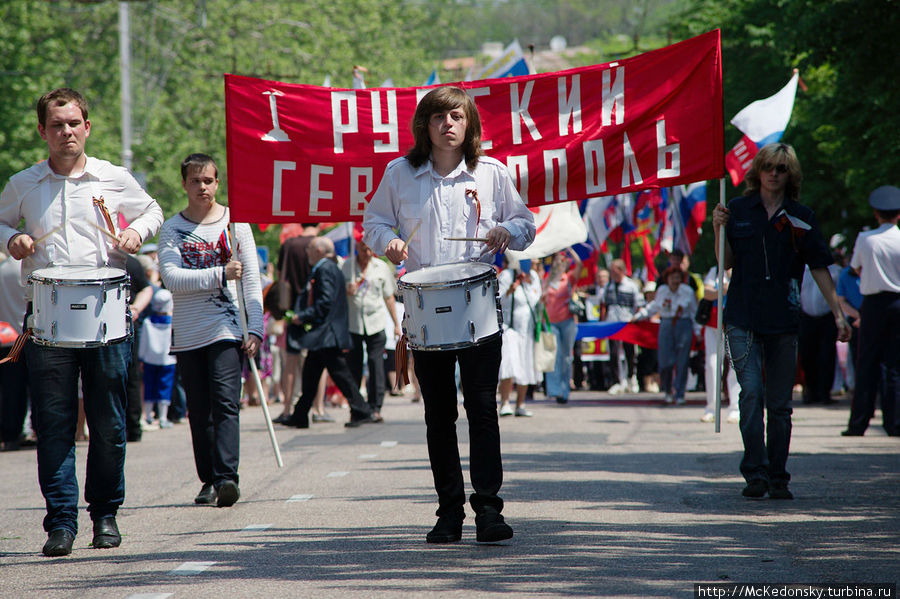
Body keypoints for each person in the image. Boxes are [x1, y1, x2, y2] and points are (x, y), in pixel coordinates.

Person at [363, 86, 535, 544]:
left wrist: (506, 230)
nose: (448, 124)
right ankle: (448, 512)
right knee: (439, 415)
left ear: (469, 123)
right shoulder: (400, 173)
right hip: (425, 310)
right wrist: (389, 243)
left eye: (456, 116)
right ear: (426, 125)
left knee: (482, 410)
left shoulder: (491, 173)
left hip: (479, 308)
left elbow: (526, 225)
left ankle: (488, 510)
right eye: (439, 116)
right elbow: (373, 223)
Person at [0, 88, 163, 556]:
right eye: (57, 125)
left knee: (109, 423)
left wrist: (134, 231)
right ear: (42, 131)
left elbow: (152, 210)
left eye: (74, 123)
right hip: (47, 315)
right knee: (54, 422)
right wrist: (13, 238)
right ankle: (61, 523)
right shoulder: (23, 183)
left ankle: (106, 515)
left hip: (106, 313)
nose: (66, 132)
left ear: (87, 127)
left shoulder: (112, 177)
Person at [712, 143, 851, 500]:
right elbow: (725, 262)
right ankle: (754, 472)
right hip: (742, 316)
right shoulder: (738, 209)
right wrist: (718, 229)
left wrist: (838, 313)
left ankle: (778, 475)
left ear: (791, 175)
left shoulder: (802, 215)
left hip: (784, 318)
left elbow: (819, 267)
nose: (774, 173)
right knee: (751, 394)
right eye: (769, 166)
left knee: (780, 405)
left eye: (782, 168)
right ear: (757, 170)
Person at [158, 153, 263, 508]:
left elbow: (252, 280)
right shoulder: (173, 228)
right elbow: (172, 278)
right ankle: (208, 478)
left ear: (217, 183)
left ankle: (227, 477)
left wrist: (257, 329)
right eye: (195, 181)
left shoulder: (237, 223)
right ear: (184, 184)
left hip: (228, 328)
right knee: (199, 411)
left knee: (225, 403)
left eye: (208, 180)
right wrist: (219, 274)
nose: (202, 187)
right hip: (188, 332)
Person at [283, 236, 378, 429]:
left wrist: (302, 316)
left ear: (319, 250)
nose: (306, 252)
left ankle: (362, 410)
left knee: (340, 375)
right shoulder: (327, 268)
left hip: (328, 333)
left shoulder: (325, 269)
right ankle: (299, 415)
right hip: (324, 335)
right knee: (311, 377)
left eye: (309, 248)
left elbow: (325, 302)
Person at [842, 185, 900, 437]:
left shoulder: (866, 239)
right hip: (898, 304)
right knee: (894, 364)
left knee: (867, 362)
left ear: (876, 214)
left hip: (874, 304)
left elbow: (854, 268)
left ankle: (859, 423)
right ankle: (895, 422)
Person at [341, 237, 401, 421]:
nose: (366, 253)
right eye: (362, 249)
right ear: (357, 247)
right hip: (353, 324)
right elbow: (336, 295)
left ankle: (375, 407)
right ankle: (357, 408)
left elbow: (389, 297)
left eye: (369, 249)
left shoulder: (380, 267)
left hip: (375, 322)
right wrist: (346, 291)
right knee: (354, 367)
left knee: (376, 365)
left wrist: (396, 324)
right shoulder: (347, 266)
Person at [274, 223, 319, 424]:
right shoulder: (322, 244)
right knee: (318, 362)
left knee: (290, 362)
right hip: (315, 311)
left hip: (292, 309)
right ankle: (318, 408)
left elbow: (279, 275)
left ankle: (286, 408)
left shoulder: (289, 244)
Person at [632, 266, 698, 405]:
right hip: (666, 325)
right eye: (672, 277)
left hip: (683, 324)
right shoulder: (662, 291)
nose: (675, 280)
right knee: (665, 362)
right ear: (666, 279)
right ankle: (668, 390)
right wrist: (639, 316)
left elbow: (693, 312)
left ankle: (680, 393)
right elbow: (653, 307)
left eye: (677, 277)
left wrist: (698, 332)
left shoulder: (687, 291)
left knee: (682, 361)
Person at [497, 258, 541, 417]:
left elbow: (536, 299)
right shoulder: (507, 275)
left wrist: (527, 283)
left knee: (525, 365)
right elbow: (498, 300)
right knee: (509, 364)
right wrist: (511, 289)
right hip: (510, 328)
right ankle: (505, 403)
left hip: (527, 330)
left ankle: (520, 404)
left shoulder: (534, 277)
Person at [699, 266, 740, 423]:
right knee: (711, 365)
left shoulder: (741, 266)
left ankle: (735, 408)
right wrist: (722, 290)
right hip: (714, 324)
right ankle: (711, 408)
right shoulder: (715, 270)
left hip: (735, 322)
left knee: (735, 365)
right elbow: (707, 293)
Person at [542, 250, 582, 404]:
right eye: (556, 261)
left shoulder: (569, 278)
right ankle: (555, 390)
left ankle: (565, 390)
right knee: (554, 356)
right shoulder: (547, 279)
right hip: (550, 322)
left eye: (562, 261)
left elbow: (580, 264)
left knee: (566, 357)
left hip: (567, 321)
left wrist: (570, 249)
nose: (558, 263)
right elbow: (541, 301)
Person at [798, 264, 841, 404]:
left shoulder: (835, 270)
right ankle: (811, 390)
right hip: (806, 316)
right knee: (807, 355)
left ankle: (824, 393)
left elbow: (838, 294)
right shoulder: (801, 269)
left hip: (827, 316)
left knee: (827, 355)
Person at [0, 250, 28, 451]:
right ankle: (38, 430)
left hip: (8, 337)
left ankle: (11, 434)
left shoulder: (3, 270)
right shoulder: (26, 270)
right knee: (39, 388)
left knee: (12, 390)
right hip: (29, 335)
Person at [604, 258, 645, 394]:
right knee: (614, 353)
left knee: (630, 352)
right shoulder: (608, 286)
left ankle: (631, 378)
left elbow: (638, 305)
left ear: (621, 271)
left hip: (627, 322)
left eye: (614, 271)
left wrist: (636, 318)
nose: (612, 274)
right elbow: (603, 304)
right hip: (612, 323)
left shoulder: (631, 285)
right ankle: (617, 381)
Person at [138, 288, 176, 429]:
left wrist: (141, 357)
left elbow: (143, 342)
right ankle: (162, 417)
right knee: (164, 388)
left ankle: (148, 416)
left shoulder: (148, 321)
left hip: (149, 359)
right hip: (168, 360)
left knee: (149, 387)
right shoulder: (172, 322)